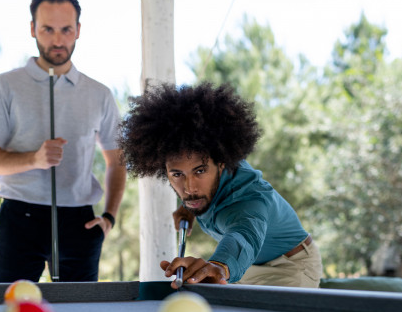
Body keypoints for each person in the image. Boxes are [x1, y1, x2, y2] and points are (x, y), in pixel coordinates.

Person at [0, 0, 126, 283]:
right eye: (47, 29)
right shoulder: (3, 86)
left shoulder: (100, 94)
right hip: (20, 218)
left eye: (66, 29)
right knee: (12, 310)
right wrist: (34, 158)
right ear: (32, 29)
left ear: (78, 30)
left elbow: (118, 160)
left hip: (79, 221)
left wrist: (109, 217)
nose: (58, 40)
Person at [118, 82, 323, 289]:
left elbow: (243, 236)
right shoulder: (201, 187)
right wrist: (188, 208)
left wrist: (218, 265)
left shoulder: (250, 201)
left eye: (200, 171)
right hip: (248, 268)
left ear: (222, 162)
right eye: (177, 174)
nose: (188, 188)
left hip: (289, 268)